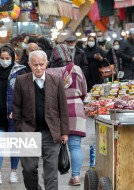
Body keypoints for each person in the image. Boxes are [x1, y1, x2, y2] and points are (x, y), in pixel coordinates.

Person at [12, 50, 69, 190]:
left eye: (41, 64)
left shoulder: (56, 81)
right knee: (28, 169)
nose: (38, 68)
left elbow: (63, 108)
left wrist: (64, 132)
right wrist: (20, 129)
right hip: (28, 132)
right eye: (35, 64)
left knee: (51, 172)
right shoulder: (21, 81)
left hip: (51, 133)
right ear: (29, 65)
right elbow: (16, 107)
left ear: (47, 64)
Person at [47, 44, 87, 186]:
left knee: (53, 148)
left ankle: (52, 179)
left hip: (56, 111)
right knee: (75, 146)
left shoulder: (49, 72)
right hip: (76, 109)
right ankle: (75, 177)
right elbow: (84, 92)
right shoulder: (76, 69)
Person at [0, 45, 26, 184]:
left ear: (12, 58)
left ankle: (13, 172)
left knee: (14, 145)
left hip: (13, 113)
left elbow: (25, 94)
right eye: (2, 58)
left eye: (7, 58)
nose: (4, 61)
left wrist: (18, 110)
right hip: (0, 114)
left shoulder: (20, 71)